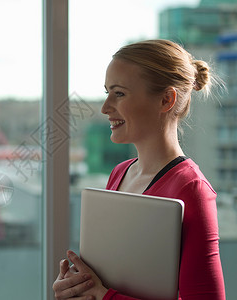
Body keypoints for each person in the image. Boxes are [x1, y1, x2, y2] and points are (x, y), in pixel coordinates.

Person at [52, 39, 226, 300]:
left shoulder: (193, 191)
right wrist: (79, 287)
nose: (105, 107)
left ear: (166, 99)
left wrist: (104, 296)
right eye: (107, 92)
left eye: (119, 93)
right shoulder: (120, 173)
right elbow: (113, 282)